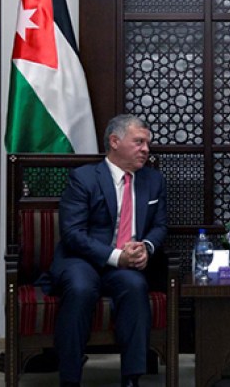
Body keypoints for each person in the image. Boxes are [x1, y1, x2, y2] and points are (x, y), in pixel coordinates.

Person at [49, 115, 167, 387]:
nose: (146, 149)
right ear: (114, 141)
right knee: (80, 289)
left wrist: (146, 248)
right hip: (82, 260)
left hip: (127, 264)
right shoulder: (84, 178)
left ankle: (132, 378)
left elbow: (160, 226)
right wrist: (116, 256)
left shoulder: (153, 180)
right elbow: (72, 233)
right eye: (139, 142)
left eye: (147, 143)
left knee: (135, 286)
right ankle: (70, 379)